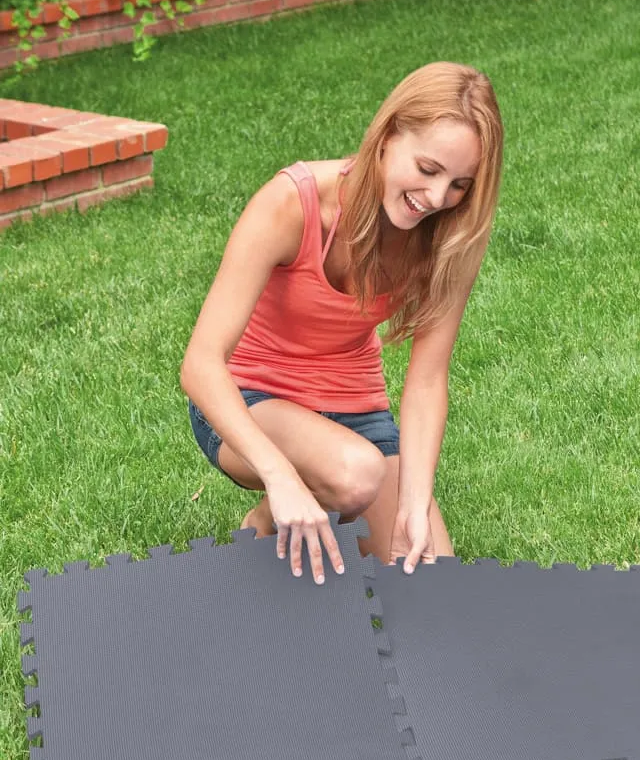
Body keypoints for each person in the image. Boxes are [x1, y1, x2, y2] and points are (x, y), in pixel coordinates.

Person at [180, 62, 504, 584]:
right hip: (248, 401)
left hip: (355, 411)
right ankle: (269, 518)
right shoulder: (292, 203)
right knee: (355, 475)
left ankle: (291, 514)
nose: (436, 197)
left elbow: (426, 381)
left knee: (435, 586)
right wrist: (281, 478)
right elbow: (200, 365)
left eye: (459, 184)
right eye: (427, 169)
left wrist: (415, 503)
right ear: (387, 136)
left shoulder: (453, 234)